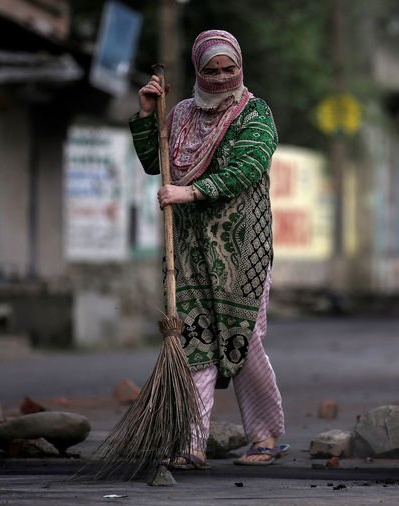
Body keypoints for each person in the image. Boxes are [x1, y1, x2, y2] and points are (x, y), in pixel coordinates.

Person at [129, 30, 287, 468]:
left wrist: (190, 193)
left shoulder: (254, 114)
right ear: (198, 70)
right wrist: (146, 116)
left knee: (245, 339)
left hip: (242, 249)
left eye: (229, 68)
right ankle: (191, 442)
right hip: (187, 248)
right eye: (211, 70)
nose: (221, 77)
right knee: (193, 339)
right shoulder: (180, 115)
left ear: (241, 67)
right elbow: (153, 163)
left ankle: (265, 436)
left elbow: (246, 168)